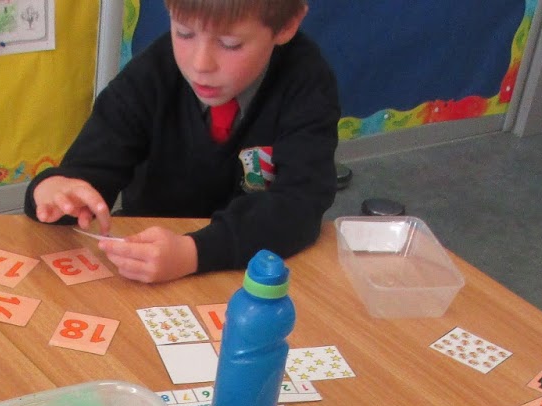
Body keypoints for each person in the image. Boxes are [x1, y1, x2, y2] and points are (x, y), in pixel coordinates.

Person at [24, 0, 339, 284]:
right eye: (184, 33)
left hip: (256, 266)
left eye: (230, 44)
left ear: (286, 26)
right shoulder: (151, 74)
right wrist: (54, 190)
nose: (201, 64)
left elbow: (301, 205)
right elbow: (87, 174)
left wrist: (193, 252)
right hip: (149, 262)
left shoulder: (307, 81)